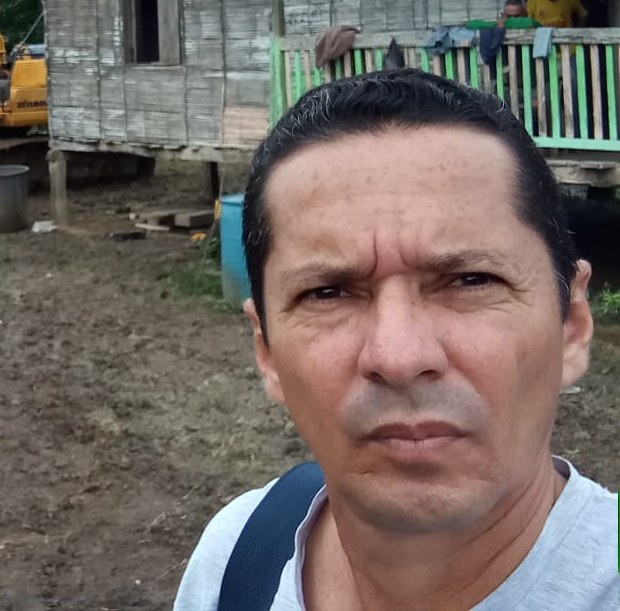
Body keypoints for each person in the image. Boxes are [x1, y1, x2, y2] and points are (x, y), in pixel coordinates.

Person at [173, 70, 616, 611]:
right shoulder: (237, 561)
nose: (399, 356)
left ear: (572, 323)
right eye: (328, 293)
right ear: (267, 352)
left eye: (470, 280)